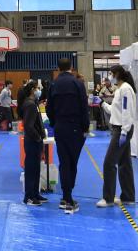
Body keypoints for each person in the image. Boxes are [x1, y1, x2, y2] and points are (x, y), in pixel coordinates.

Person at [45, 58, 89, 214]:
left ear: (58, 68)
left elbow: (49, 108)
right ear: (71, 67)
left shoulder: (54, 84)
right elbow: (84, 106)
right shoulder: (78, 83)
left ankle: (65, 197)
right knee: (72, 162)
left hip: (60, 128)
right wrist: (85, 127)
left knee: (64, 162)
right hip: (76, 128)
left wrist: (55, 123)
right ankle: (69, 198)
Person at [97, 65, 137, 207]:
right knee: (124, 164)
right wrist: (101, 103)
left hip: (122, 130)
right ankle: (128, 197)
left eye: (111, 74)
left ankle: (107, 198)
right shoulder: (120, 89)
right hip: (119, 128)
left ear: (117, 74)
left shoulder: (125, 89)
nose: (110, 77)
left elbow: (126, 111)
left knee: (109, 163)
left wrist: (124, 132)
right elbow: (115, 111)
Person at [20, 81, 48, 206]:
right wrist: (37, 137)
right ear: (32, 89)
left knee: (36, 168)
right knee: (31, 169)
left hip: (36, 141)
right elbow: (29, 126)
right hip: (32, 141)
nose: (39, 90)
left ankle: (35, 193)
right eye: (37, 88)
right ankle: (29, 196)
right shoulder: (29, 104)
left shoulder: (34, 103)